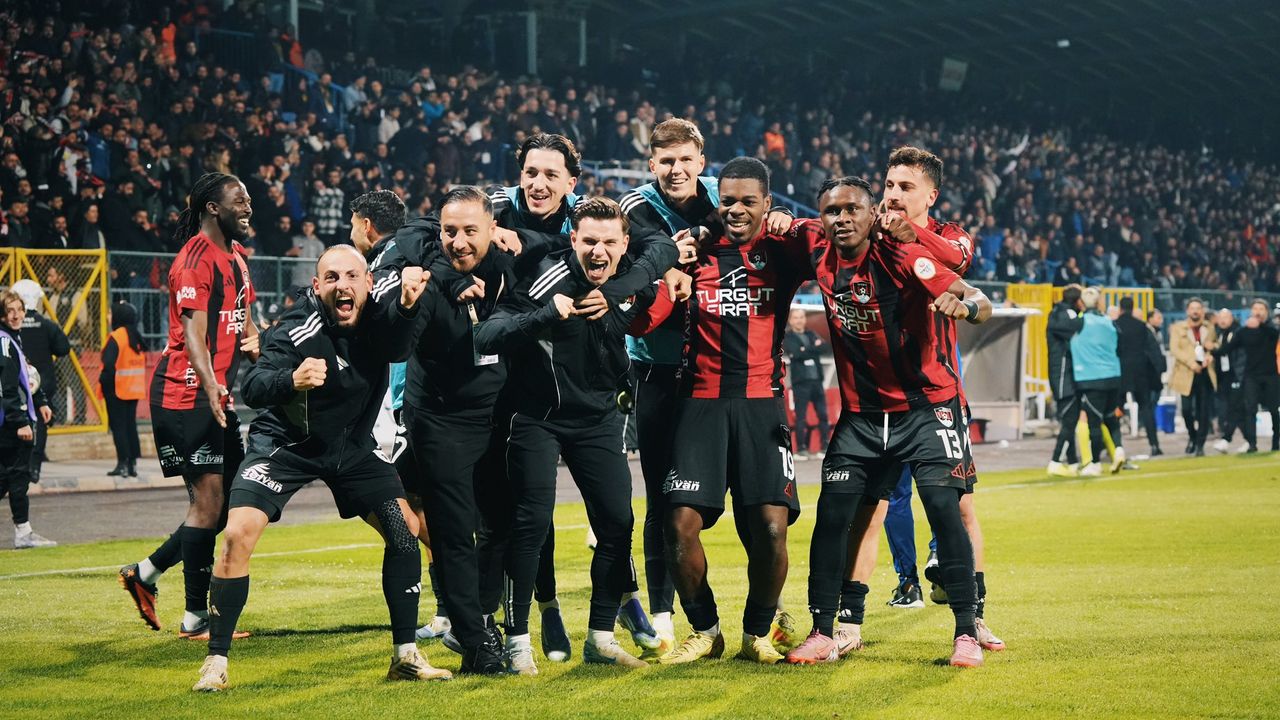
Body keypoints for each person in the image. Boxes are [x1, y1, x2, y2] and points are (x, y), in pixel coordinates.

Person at [191, 246, 447, 691]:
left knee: (405, 528)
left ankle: (405, 655)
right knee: (236, 534)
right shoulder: (297, 326)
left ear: (368, 283)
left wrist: (408, 306)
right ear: (317, 286)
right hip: (286, 446)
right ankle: (215, 662)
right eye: (331, 278)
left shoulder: (382, 312)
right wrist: (291, 380)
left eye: (351, 276)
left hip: (351, 448)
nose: (341, 285)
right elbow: (253, 386)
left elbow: (397, 344)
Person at [779, 176, 993, 668]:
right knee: (834, 518)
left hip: (923, 410)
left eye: (852, 209)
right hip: (861, 417)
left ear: (871, 213)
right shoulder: (814, 244)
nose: (841, 219)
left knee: (944, 509)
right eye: (832, 211)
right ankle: (825, 630)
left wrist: (965, 306)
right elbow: (771, 226)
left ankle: (966, 631)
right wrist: (772, 218)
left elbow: (977, 298)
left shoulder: (902, 256)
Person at [632, 157, 806, 666]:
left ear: (767, 204)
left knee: (770, 529)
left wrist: (795, 225)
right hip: (699, 406)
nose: (737, 210)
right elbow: (645, 322)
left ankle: (758, 631)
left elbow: (838, 246)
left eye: (749, 201)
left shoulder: (783, 250)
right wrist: (664, 276)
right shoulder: (691, 253)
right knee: (677, 525)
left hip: (762, 405)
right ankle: (705, 631)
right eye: (728, 200)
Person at [474, 196, 656, 673]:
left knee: (617, 523)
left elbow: (662, 260)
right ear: (573, 240)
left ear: (624, 244)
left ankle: (600, 638)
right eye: (589, 241)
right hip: (537, 418)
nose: (598, 251)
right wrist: (545, 316)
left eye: (609, 242)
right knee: (530, 525)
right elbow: (486, 336)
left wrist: (634, 290)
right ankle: (517, 642)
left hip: (598, 421)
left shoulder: (629, 277)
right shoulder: (546, 277)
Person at [118, 173, 259, 638]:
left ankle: (145, 573)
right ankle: (196, 617)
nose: (248, 207)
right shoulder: (194, 260)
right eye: (239, 200)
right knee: (209, 503)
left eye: (249, 200)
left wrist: (266, 350)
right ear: (212, 208)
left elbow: (246, 327)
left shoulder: (238, 259)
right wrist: (212, 384)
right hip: (187, 394)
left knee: (229, 503)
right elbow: (195, 337)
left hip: (215, 397)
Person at [617, 118, 723, 650]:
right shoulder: (635, 205)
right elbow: (659, 246)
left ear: (701, 161)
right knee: (661, 497)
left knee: (742, 498)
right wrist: (704, 237)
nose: (676, 169)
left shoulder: (724, 196)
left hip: (717, 368)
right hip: (655, 369)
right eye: (666, 161)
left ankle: (758, 618)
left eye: (685, 160)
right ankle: (663, 619)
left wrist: (705, 235)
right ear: (651, 164)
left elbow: (744, 225)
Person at [0, 290, 55, 548]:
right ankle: (23, 533)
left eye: (19, 310)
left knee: (6, 477)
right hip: (10, 423)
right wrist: (20, 421)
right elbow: (7, 387)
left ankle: (24, 531)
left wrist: (40, 400)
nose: (16, 315)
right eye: (10, 311)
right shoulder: (5, 342)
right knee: (17, 476)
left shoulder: (13, 339)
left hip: (10, 419)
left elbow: (27, 373)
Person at [10, 279, 70, 481]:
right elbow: (63, 348)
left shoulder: (11, 327)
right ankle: (34, 467)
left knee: (15, 423)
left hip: (15, 384)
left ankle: (18, 466)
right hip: (42, 383)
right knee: (40, 424)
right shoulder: (47, 325)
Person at [1071, 287, 1126, 476]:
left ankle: (1094, 463)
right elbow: (1120, 345)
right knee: (1111, 417)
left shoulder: (1079, 322)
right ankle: (1118, 449)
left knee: (1094, 422)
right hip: (1113, 375)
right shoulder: (1109, 322)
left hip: (1090, 378)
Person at [1215, 299, 1280, 453]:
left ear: (1266, 312)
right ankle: (1252, 443)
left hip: (1271, 375)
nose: (1258, 312)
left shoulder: (1271, 329)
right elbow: (1228, 349)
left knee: (1273, 409)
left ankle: (1276, 441)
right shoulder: (1243, 331)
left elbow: (1274, 335)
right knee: (1250, 409)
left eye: (1261, 309)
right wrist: (1211, 351)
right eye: (1255, 308)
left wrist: (1260, 325)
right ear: (1251, 311)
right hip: (1251, 376)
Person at [1114, 297, 1165, 458]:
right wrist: (1159, 371)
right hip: (1140, 373)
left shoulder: (1114, 325)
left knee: (1116, 409)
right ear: (1132, 308)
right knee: (1146, 408)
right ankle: (1154, 445)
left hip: (1120, 373)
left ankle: (1114, 446)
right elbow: (1153, 350)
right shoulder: (1142, 326)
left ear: (1120, 308)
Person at [100, 301, 145, 477]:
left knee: (118, 427)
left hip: (117, 389)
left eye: (110, 313)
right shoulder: (135, 335)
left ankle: (122, 463)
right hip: (133, 389)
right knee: (130, 426)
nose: (108, 316)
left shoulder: (117, 336)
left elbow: (108, 364)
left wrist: (105, 384)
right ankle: (132, 463)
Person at [1047, 285, 1086, 475]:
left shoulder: (1059, 312)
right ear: (1077, 301)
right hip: (1063, 376)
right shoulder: (1065, 315)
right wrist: (1086, 316)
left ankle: (1072, 463)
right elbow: (1072, 327)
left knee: (1069, 419)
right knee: (1070, 420)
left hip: (1063, 375)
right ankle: (1055, 461)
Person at [1169, 298, 1217, 456]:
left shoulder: (1209, 327)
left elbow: (1215, 344)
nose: (1195, 311)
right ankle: (1193, 435)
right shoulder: (1178, 328)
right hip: (1186, 373)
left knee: (1203, 411)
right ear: (1187, 311)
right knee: (1186, 409)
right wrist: (1191, 363)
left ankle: (1200, 444)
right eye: (1192, 308)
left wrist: (1210, 354)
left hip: (1205, 373)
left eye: (1198, 308)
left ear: (1202, 311)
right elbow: (1175, 349)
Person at [784, 308, 829, 460]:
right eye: (796, 317)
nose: (799, 320)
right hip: (801, 383)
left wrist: (806, 350)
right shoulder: (788, 337)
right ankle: (801, 449)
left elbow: (824, 347)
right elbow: (795, 353)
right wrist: (814, 348)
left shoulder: (811, 334)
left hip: (817, 381)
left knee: (823, 415)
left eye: (801, 317)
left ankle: (825, 447)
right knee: (801, 417)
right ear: (791, 320)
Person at [1211, 309, 1245, 453]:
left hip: (1236, 375)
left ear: (1232, 318)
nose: (1223, 320)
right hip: (1222, 376)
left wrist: (1213, 350)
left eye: (1226, 317)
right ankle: (1249, 440)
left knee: (1234, 408)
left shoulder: (1238, 332)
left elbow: (1226, 350)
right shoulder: (1216, 333)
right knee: (1233, 409)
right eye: (1220, 317)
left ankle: (1226, 439)